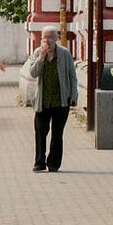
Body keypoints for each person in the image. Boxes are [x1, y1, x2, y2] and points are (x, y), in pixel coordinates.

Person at [27, 27, 78, 172]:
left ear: (56, 38)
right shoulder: (37, 52)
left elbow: (72, 76)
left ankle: (54, 163)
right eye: (44, 37)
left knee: (57, 133)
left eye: (50, 37)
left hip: (61, 100)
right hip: (42, 101)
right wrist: (41, 58)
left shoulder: (64, 53)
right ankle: (39, 162)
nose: (46, 40)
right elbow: (33, 73)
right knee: (40, 132)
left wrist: (74, 95)